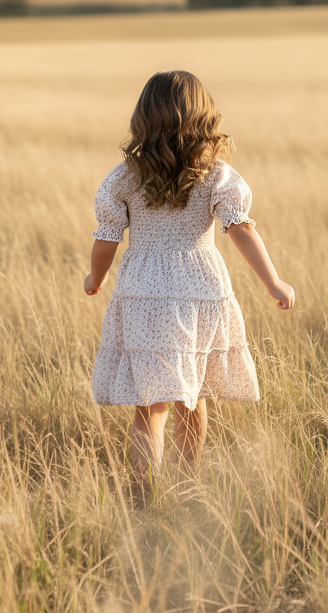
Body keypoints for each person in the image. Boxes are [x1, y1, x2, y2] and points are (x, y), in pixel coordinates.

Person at [84, 71, 295, 497]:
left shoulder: (124, 177)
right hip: (199, 289)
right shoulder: (216, 175)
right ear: (204, 117)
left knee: (149, 407)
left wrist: (97, 277)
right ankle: (188, 489)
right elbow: (241, 230)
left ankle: (143, 497)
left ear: (143, 118)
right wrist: (273, 282)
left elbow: (107, 238)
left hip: (143, 293)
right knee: (192, 397)